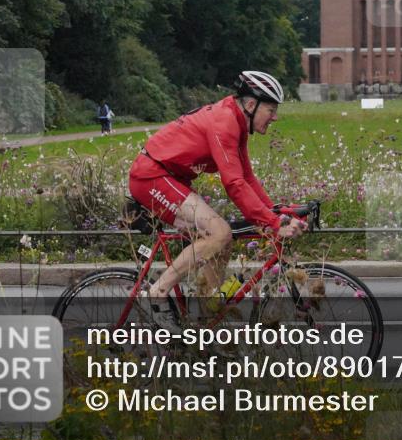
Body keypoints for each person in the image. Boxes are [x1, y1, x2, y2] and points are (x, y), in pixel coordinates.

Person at [127, 71, 305, 329]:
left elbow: (247, 178)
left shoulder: (237, 121)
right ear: (252, 105)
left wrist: (278, 212)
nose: (275, 116)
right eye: (271, 109)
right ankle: (158, 292)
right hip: (152, 176)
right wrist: (274, 223)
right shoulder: (225, 122)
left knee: (224, 241)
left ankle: (205, 321)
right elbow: (233, 184)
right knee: (219, 232)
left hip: (170, 179)